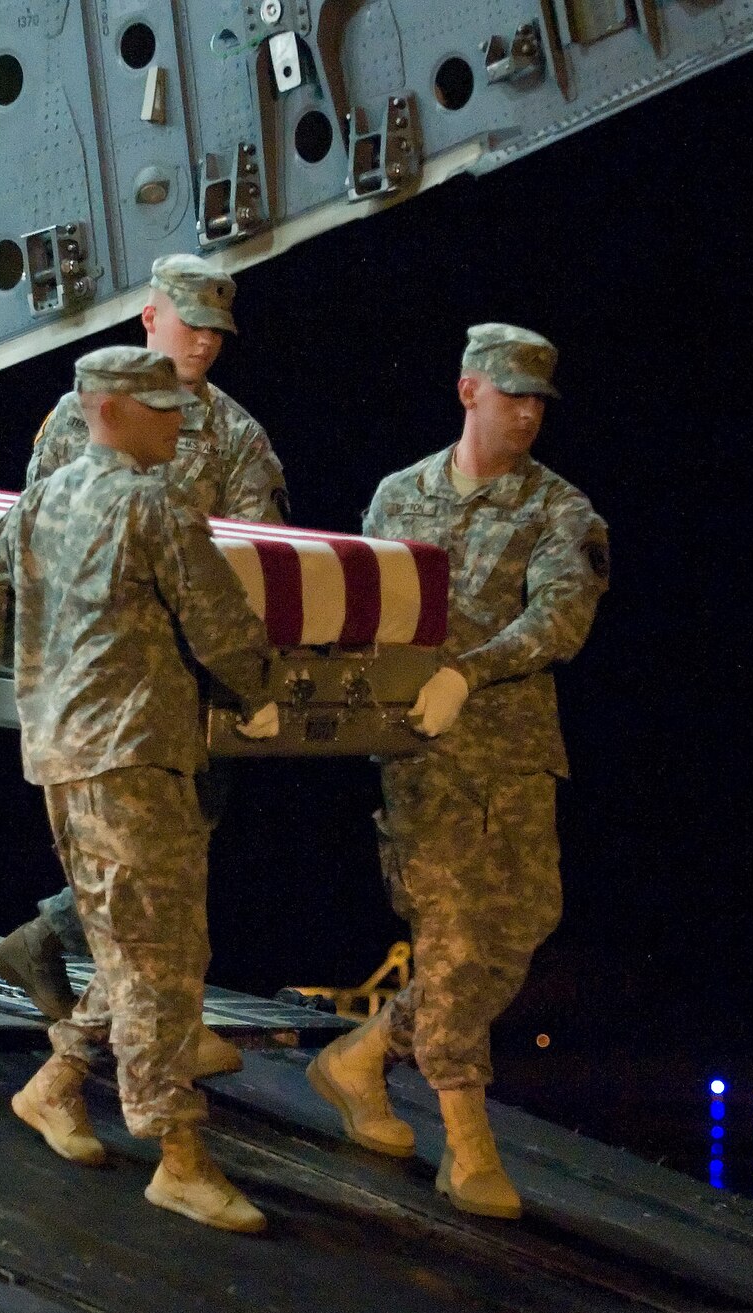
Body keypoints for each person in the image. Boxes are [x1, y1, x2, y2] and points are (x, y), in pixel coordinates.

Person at [0, 346, 279, 1231]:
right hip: (134, 758)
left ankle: (56, 1085)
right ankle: (179, 1154)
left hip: (66, 755)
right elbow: (222, 629)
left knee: (135, 943)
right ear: (112, 411)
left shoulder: (46, 497)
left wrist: (48, 679)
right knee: (161, 961)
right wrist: (260, 692)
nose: (179, 420)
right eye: (163, 407)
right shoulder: (153, 506)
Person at [306, 324, 608, 1220]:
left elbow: (561, 623)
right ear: (469, 389)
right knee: (452, 935)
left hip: (511, 748)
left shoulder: (561, 511)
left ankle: (360, 1059)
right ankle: (467, 1138)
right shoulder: (397, 498)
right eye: (511, 393)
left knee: (518, 927)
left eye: (539, 402)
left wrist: (466, 670)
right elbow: (361, 611)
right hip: (422, 752)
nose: (526, 413)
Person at [0, 253, 285, 1065]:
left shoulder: (235, 434)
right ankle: (127, 1030)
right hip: (99, 683)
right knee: (140, 861)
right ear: (149, 318)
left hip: (183, 678)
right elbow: (32, 542)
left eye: (216, 331)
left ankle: (76, 970)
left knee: (175, 850)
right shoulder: (79, 417)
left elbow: (258, 556)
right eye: (190, 325)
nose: (204, 345)